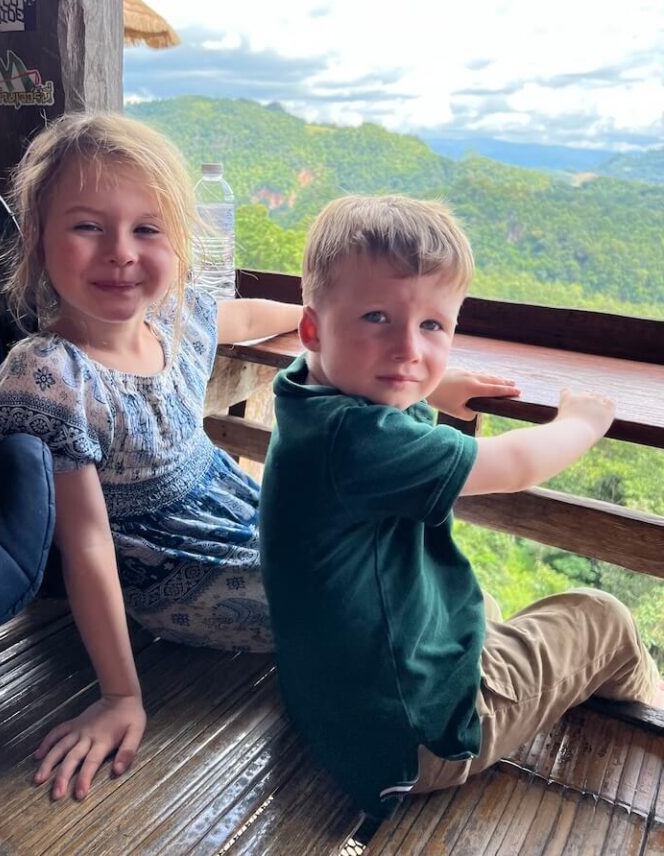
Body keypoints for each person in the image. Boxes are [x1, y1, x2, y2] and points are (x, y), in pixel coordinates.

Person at [259, 194, 662, 821]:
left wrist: (430, 384)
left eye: (432, 327)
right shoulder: (363, 440)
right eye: (377, 318)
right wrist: (582, 421)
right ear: (315, 326)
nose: (407, 350)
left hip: (333, 705)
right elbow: (517, 465)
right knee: (603, 616)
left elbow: (367, 368)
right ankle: (651, 728)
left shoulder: (307, 393)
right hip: (415, 741)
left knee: (485, 603)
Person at [0, 112, 302, 802]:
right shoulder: (51, 374)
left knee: (367, 553)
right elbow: (87, 542)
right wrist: (122, 694)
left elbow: (242, 316)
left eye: (147, 229)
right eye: (88, 226)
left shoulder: (173, 319)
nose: (121, 251)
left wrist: (323, 323)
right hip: (167, 569)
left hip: (234, 507)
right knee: (333, 603)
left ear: (179, 242)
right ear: (37, 239)